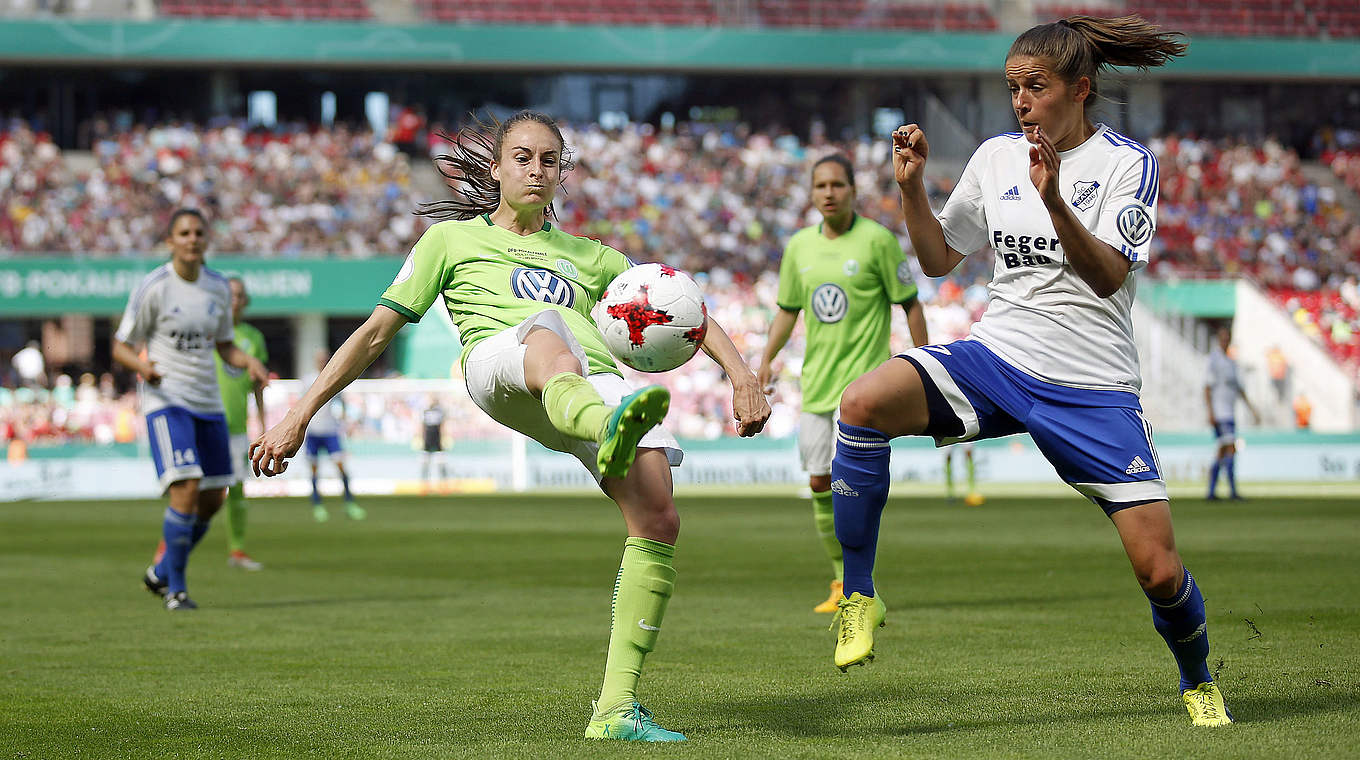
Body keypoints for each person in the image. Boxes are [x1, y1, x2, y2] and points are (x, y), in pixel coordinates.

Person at [249, 110, 770, 742]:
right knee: (548, 330)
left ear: (561, 175)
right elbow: (375, 334)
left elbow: (679, 305)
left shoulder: (590, 255)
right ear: (496, 169)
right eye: (523, 157)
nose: (536, 169)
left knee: (658, 514)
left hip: (588, 379)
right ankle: (604, 430)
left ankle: (615, 710)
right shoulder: (451, 243)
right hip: (502, 363)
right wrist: (298, 415)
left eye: (549, 160)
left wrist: (741, 373)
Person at [827, 16, 1233, 727]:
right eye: (1012, 87)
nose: (1020, 102)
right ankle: (859, 594)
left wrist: (1052, 198)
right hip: (999, 355)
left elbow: (1108, 277)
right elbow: (938, 259)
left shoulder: (1127, 164)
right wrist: (913, 190)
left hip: (1092, 385)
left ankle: (1198, 680)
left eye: (1035, 87)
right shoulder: (995, 156)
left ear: (1079, 90)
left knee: (1160, 572)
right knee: (860, 403)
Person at [757, 153, 928, 614]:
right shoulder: (799, 248)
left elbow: (910, 303)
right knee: (818, 482)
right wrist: (766, 360)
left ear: (853, 190)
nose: (829, 193)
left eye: (837, 185)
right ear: (812, 194)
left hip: (862, 389)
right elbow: (787, 310)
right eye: (821, 186)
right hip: (816, 386)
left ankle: (857, 578)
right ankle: (839, 579)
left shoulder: (878, 241)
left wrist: (922, 360)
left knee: (852, 487)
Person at [116, 208, 269, 610]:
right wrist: (142, 367)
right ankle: (176, 590)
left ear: (206, 240)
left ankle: (161, 572)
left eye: (199, 232)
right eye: (184, 233)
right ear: (170, 241)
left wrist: (249, 362)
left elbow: (224, 346)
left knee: (213, 498)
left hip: (209, 403)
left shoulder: (218, 288)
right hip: (168, 401)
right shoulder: (155, 287)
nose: (192, 238)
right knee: (185, 488)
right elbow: (120, 346)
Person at [214, 277, 270, 570]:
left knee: (237, 489)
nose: (234, 300)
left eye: (238, 295)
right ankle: (167, 551)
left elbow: (258, 387)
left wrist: (263, 426)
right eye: (228, 295)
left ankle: (236, 551)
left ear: (245, 301)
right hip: (205, 423)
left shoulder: (254, 338)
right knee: (192, 491)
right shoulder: (208, 332)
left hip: (236, 427)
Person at [302, 349, 365, 522]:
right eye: (320, 359)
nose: (323, 362)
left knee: (341, 467)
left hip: (330, 431)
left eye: (325, 359)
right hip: (314, 432)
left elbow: (341, 403)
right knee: (314, 471)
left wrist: (345, 423)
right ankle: (317, 505)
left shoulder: (335, 377)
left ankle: (349, 503)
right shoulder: (308, 380)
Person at [1205, 324, 1259, 501]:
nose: (1225, 340)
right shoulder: (1214, 360)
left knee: (1223, 451)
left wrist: (1252, 409)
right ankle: (1232, 491)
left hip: (1230, 413)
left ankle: (1212, 492)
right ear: (1218, 339)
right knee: (1230, 449)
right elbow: (1206, 387)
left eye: (1227, 337)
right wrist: (1210, 412)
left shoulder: (1231, 363)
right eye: (1222, 337)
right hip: (1220, 413)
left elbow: (1239, 389)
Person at [420, 395, 449, 485]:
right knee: (425, 461)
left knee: (441, 461)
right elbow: (422, 426)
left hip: (437, 439)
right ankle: (424, 481)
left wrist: (444, 438)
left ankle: (443, 481)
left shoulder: (440, 412)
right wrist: (422, 438)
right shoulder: (425, 412)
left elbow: (442, 426)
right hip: (428, 439)